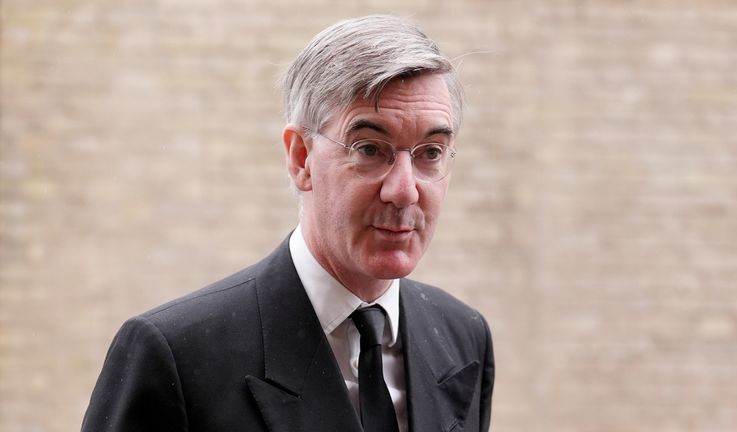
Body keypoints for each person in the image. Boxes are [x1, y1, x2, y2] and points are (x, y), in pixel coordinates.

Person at [81, 14, 494, 432]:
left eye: (431, 152)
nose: (404, 191)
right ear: (301, 158)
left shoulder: (463, 337)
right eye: (370, 149)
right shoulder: (175, 355)